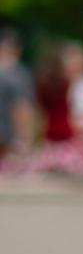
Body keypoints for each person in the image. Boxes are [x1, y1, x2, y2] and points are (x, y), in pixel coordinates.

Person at [0, 27, 36, 161]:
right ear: (18, 49)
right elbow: (22, 107)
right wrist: (25, 138)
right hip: (7, 138)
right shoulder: (18, 73)